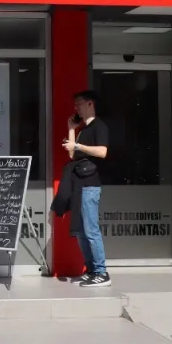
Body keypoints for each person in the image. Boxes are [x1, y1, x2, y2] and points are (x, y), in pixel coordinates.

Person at [63, 90, 110, 288]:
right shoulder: (83, 129)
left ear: (90, 104)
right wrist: (71, 129)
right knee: (81, 231)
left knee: (91, 230)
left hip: (91, 184)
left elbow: (102, 151)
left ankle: (101, 272)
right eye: (75, 105)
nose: (77, 108)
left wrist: (79, 146)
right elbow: (72, 154)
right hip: (80, 184)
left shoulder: (99, 126)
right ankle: (90, 270)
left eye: (79, 104)